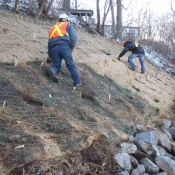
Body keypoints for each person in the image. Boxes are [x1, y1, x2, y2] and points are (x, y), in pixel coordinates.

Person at [47, 14, 81, 87]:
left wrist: (50, 55)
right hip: (64, 47)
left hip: (54, 48)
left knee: (56, 65)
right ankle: (77, 82)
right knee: (70, 65)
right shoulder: (68, 26)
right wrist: (71, 48)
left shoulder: (52, 28)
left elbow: (49, 43)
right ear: (67, 20)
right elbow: (74, 37)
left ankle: (52, 70)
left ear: (58, 20)